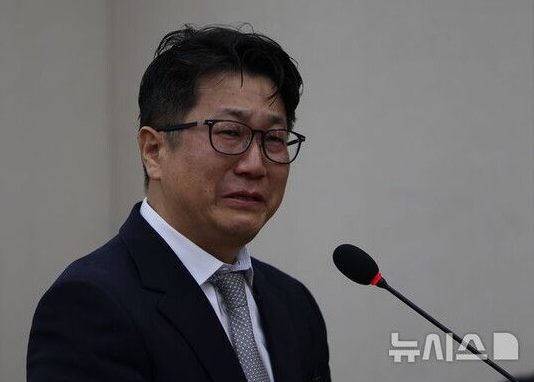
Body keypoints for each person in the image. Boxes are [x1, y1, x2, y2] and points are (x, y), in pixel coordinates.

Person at [27, 24, 331, 382]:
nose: (255, 165)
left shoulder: (293, 303)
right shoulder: (90, 304)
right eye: (230, 132)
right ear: (153, 151)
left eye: (275, 139)